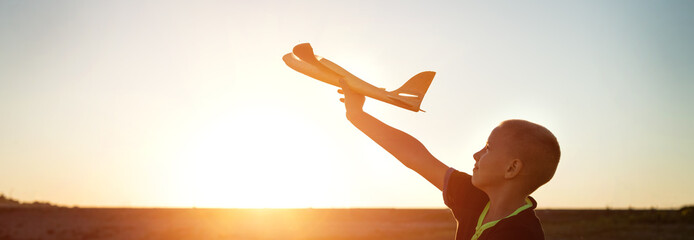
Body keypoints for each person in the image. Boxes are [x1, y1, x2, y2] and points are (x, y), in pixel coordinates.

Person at [337, 79, 561, 240]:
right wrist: (357, 116)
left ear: (511, 168)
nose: (476, 155)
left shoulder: (521, 234)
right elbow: (416, 157)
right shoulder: (475, 198)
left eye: (488, 148)